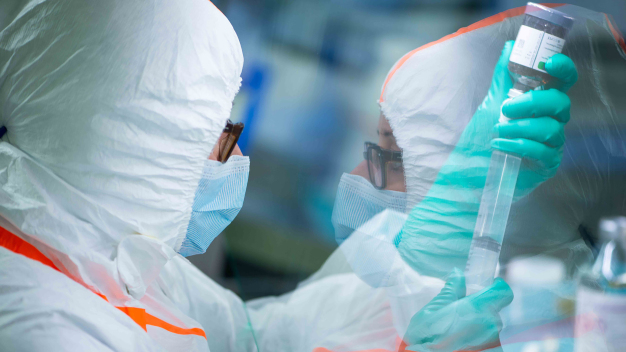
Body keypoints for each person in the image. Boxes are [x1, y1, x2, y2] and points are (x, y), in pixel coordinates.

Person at [0, 1, 623, 352]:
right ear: (143, 147)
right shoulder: (42, 328)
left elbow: (258, 336)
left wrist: (430, 247)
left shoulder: (109, 257)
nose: (231, 161)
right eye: (221, 137)